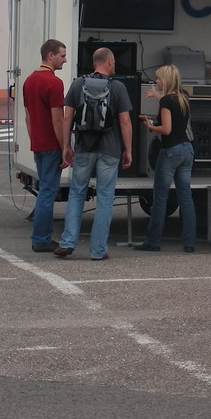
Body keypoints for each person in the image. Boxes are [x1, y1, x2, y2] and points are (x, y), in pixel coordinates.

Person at [54, 47, 133, 260]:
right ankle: (98, 250)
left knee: (77, 193)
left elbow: (67, 117)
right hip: (110, 150)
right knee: (105, 198)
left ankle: (68, 242)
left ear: (93, 62)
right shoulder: (118, 87)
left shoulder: (78, 84)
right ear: (109, 62)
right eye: (113, 63)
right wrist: (128, 149)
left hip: (83, 148)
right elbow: (125, 121)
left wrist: (66, 146)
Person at [136, 64, 196, 253]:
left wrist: (150, 126)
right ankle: (189, 242)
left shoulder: (166, 102)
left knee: (160, 198)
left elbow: (166, 129)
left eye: (158, 79)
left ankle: (153, 241)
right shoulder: (183, 96)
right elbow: (173, 105)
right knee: (185, 197)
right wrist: (157, 95)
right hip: (187, 149)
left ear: (166, 80)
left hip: (170, 150)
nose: (156, 81)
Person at [22, 39, 68, 252]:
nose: (65, 60)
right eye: (62, 56)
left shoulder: (29, 80)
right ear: (50, 56)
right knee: (48, 193)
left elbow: (28, 116)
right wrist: (65, 146)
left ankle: (41, 237)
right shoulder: (54, 83)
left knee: (44, 190)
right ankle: (41, 239)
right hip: (51, 144)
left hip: (38, 143)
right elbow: (57, 119)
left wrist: (33, 139)